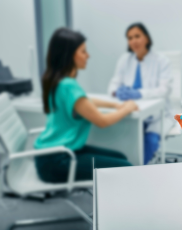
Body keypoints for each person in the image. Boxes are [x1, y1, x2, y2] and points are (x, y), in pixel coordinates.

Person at [34, 28, 138, 183]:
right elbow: (102, 121)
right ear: (69, 56)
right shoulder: (68, 85)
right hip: (57, 160)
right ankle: (112, 206)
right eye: (83, 51)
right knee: (125, 167)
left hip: (51, 155)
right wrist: (127, 108)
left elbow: (83, 101)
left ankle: (108, 203)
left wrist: (114, 105)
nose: (88, 56)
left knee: (120, 158)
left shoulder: (58, 81)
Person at [108, 23, 174, 164]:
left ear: (147, 38)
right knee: (122, 140)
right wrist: (116, 92)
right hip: (133, 111)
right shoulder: (124, 60)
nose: (134, 41)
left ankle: (139, 172)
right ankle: (127, 169)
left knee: (149, 140)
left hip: (157, 115)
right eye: (130, 38)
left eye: (137, 36)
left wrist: (139, 93)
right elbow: (113, 85)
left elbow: (164, 90)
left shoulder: (162, 61)